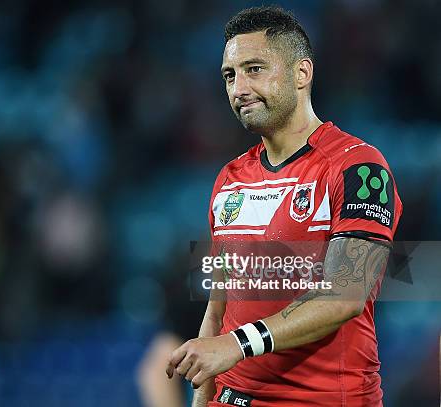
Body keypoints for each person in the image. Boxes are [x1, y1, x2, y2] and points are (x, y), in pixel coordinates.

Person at [165, 6, 402, 407]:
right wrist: (202, 397)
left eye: (254, 69)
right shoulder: (230, 179)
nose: (238, 88)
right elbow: (219, 306)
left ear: (302, 74)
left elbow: (345, 294)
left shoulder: (358, 167)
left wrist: (237, 346)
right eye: (229, 75)